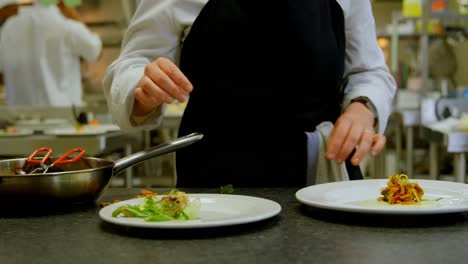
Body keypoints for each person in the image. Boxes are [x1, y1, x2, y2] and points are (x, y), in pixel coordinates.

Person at [104, 0, 396, 187]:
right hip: (215, 179)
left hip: (319, 179)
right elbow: (133, 64)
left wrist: (362, 107)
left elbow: (369, 72)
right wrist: (142, 87)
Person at [0, 0, 102, 106]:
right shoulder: (65, 25)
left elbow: (2, 75)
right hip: (64, 116)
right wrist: (71, 12)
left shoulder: (8, 28)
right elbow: (96, 52)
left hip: (19, 118)